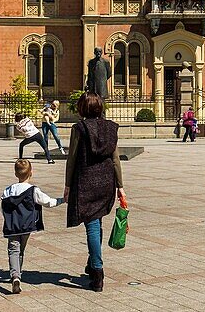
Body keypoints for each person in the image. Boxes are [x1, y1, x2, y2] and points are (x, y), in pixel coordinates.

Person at [64, 92, 126, 293]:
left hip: (86, 181)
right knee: (96, 222)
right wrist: (120, 186)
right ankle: (92, 264)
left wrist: (67, 186)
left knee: (91, 225)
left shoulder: (79, 128)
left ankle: (98, 272)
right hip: (106, 181)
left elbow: (72, 159)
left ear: (82, 108)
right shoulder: (110, 128)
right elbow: (115, 159)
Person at [1, 159, 62, 294]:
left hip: (11, 226)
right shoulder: (33, 190)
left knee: (13, 250)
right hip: (27, 225)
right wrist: (63, 200)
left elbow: (3, 207)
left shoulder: (7, 191)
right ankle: (18, 274)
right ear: (31, 173)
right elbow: (48, 202)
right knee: (20, 249)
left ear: (15, 173)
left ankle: (15, 276)